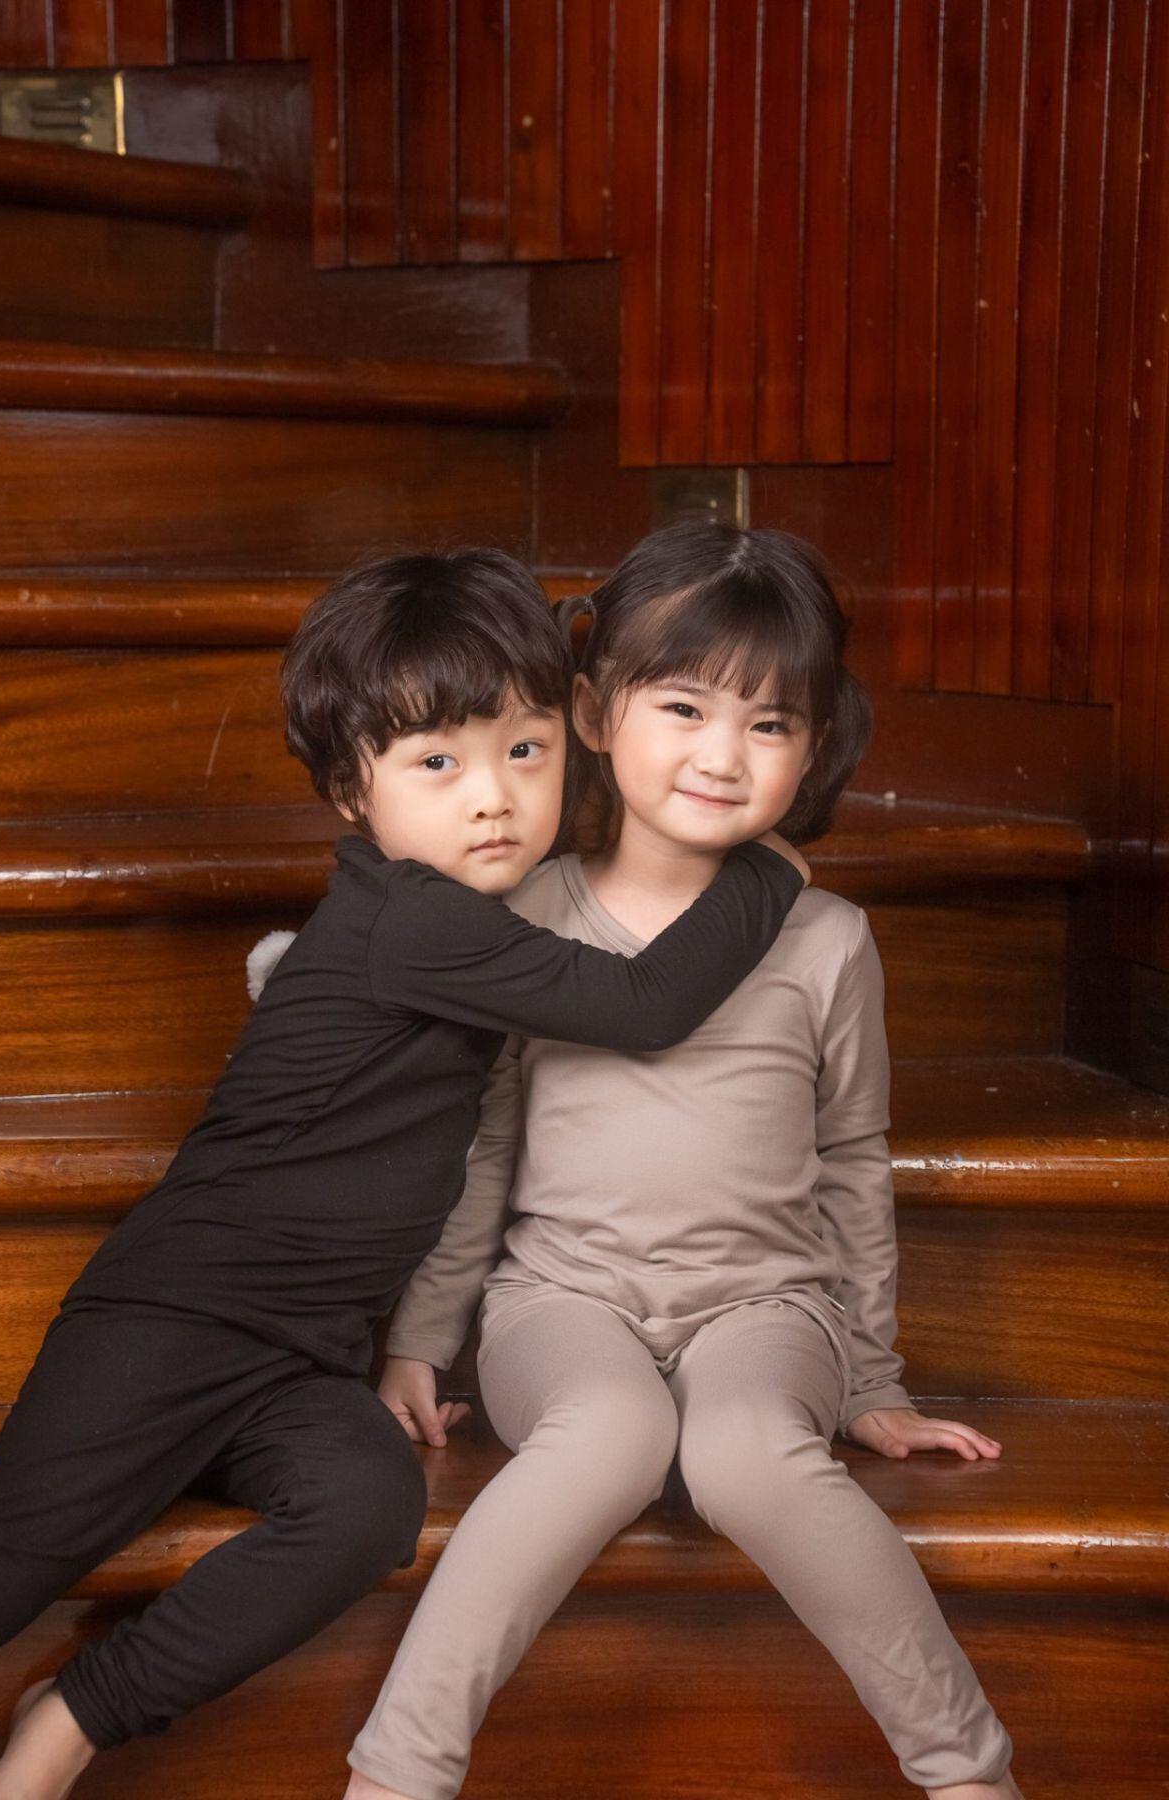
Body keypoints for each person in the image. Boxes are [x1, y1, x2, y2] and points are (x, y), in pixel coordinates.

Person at [0, 549, 808, 1800]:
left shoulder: (455, 925)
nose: (495, 798)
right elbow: (646, 1003)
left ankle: (78, 1713)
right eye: (437, 764)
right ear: (348, 791)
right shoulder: (413, 921)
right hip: (173, 1324)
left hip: (296, 1363)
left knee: (365, 1510)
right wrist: (768, 867)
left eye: (526, 751)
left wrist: (406, 1350)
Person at [346, 524, 1023, 1800]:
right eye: (685, 707)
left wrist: (873, 1375)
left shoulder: (828, 939)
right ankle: (397, 1774)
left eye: (771, 724)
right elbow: (484, 1147)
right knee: (607, 1429)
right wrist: (420, 1338)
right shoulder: (525, 917)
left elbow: (851, 1156)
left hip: (765, 1306)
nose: (724, 754)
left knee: (748, 1451)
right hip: (562, 1301)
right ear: (595, 712)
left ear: (814, 749)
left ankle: (970, 1774)